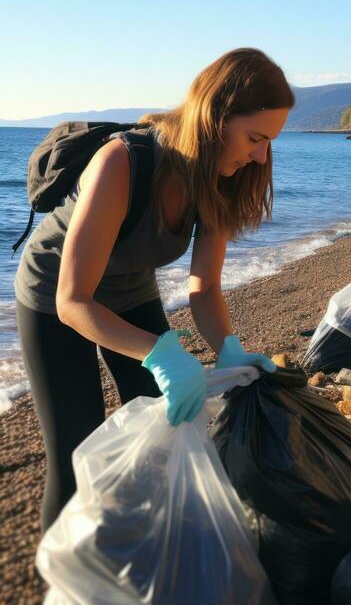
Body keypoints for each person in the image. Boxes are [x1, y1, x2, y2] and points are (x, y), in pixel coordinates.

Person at [15, 48, 295, 531]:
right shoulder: (123, 162)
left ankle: (145, 546)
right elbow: (72, 301)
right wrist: (159, 353)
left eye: (268, 142)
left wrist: (229, 351)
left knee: (168, 426)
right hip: (53, 297)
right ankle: (67, 590)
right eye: (254, 138)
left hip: (129, 290)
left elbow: (204, 288)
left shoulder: (219, 179)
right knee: (75, 446)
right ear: (216, 116)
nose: (260, 156)